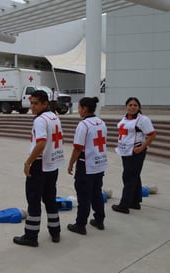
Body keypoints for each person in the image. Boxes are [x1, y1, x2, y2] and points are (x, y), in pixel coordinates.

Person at [13, 90, 65, 247]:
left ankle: (31, 236)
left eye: (36, 103)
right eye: (31, 103)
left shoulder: (40, 120)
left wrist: (28, 162)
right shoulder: (54, 117)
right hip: (52, 164)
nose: (33, 106)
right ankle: (55, 231)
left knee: (34, 200)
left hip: (40, 164)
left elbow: (41, 143)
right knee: (50, 199)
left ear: (45, 103)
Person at [67, 97, 107, 235]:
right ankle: (99, 220)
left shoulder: (83, 125)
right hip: (99, 164)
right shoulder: (101, 122)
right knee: (96, 193)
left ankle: (80, 224)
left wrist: (71, 163)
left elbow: (78, 148)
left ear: (84, 108)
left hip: (86, 165)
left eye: (78, 108)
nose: (78, 110)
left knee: (83, 195)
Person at [112, 97, 156, 214]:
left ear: (139, 107)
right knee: (134, 176)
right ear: (126, 106)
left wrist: (141, 147)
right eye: (130, 105)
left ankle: (124, 205)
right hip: (125, 151)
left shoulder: (143, 120)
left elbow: (152, 135)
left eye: (135, 105)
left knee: (129, 177)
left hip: (135, 152)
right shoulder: (125, 118)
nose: (132, 107)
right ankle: (135, 202)